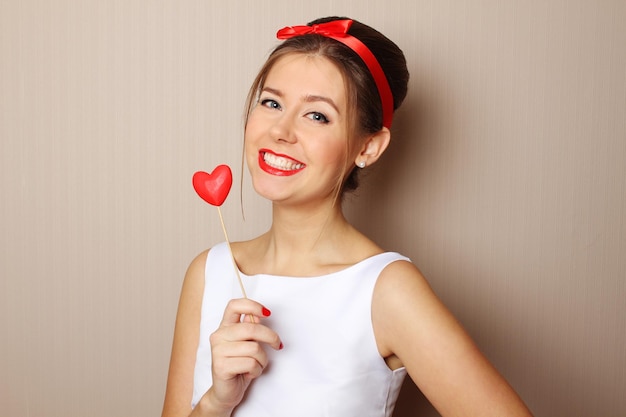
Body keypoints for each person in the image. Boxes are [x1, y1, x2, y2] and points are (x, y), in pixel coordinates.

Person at [161, 16, 533, 417]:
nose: (281, 131)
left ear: (369, 147)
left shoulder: (388, 290)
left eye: (317, 115)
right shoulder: (208, 272)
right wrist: (218, 401)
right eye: (272, 103)